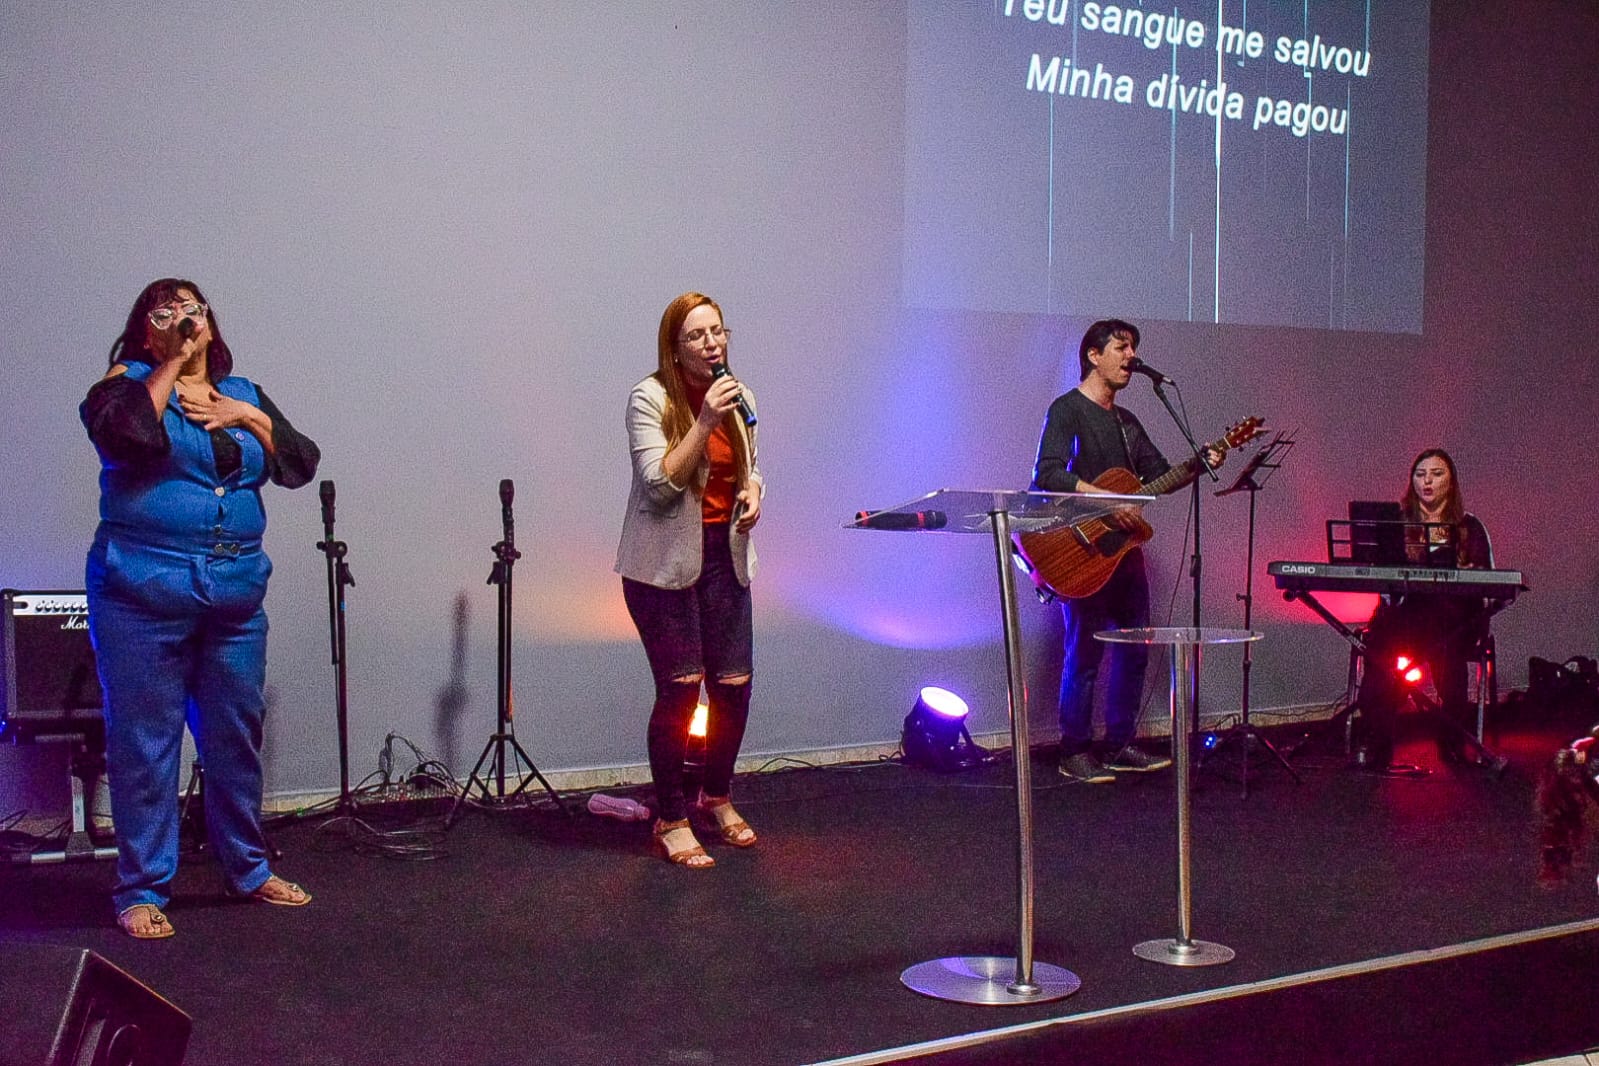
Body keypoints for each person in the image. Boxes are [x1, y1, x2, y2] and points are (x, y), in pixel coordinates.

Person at [81, 279, 320, 938]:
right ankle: (141, 888)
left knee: (235, 738)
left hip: (234, 600)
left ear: (212, 324)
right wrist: (167, 365)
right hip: (142, 596)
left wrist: (250, 419)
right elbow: (127, 438)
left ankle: (246, 868)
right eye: (166, 311)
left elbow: (299, 463)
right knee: (146, 745)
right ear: (145, 331)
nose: (185, 317)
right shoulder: (123, 386)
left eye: (194, 307)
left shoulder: (242, 393)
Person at [1031, 319, 1219, 784]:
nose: (1131, 356)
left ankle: (1118, 744)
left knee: (1136, 647)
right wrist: (1105, 500)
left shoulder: (1127, 422)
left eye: (1133, 347)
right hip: (1079, 552)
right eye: (1121, 347)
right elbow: (1048, 474)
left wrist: (1201, 464)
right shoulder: (1067, 410)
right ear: (1094, 355)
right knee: (1085, 653)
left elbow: (1158, 477)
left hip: (1124, 556)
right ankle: (1074, 750)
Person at [616, 292, 764, 868]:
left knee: (733, 686)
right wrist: (704, 421)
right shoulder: (649, 398)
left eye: (719, 333)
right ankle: (671, 816)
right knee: (681, 688)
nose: (713, 345)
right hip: (663, 569)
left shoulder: (742, 396)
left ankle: (717, 796)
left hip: (725, 559)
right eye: (699, 337)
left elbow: (754, 469)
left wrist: (754, 492)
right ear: (675, 349)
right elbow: (660, 484)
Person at [1352, 448, 1494, 769]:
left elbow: (1487, 582)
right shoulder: (1399, 524)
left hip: (1453, 620)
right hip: (1406, 620)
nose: (1427, 481)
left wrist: (1470, 575)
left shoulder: (1469, 527)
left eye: (1436, 474)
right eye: (1420, 474)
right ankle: (1377, 738)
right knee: (1380, 645)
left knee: (1449, 649)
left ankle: (1452, 740)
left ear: (1451, 482)